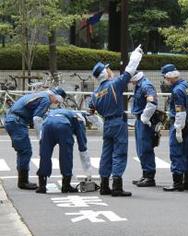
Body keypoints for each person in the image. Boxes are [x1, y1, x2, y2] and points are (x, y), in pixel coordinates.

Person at [89, 45, 143, 197]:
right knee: (119, 153)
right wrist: (136, 55)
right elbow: (130, 71)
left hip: (107, 124)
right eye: (108, 69)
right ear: (105, 73)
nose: (110, 70)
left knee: (106, 153)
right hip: (118, 122)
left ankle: (104, 185)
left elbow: (90, 112)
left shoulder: (95, 93)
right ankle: (117, 186)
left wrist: (101, 124)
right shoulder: (114, 84)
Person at [4, 87, 66, 190]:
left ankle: (22, 180)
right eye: (57, 101)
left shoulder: (41, 95)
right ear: (55, 96)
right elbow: (37, 119)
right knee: (25, 151)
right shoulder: (46, 99)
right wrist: (41, 138)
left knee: (23, 151)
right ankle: (23, 182)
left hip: (14, 120)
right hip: (17, 121)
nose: (55, 103)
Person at [36, 109, 91, 194]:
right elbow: (82, 141)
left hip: (47, 125)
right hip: (63, 126)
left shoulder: (60, 111)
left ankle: (42, 185)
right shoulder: (79, 119)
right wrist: (88, 170)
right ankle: (66, 185)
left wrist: (42, 142)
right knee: (66, 155)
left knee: (45, 154)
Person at [161, 64, 188, 191]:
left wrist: (178, 129)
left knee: (176, 152)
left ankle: (177, 183)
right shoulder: (186, 85)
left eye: (164, 77)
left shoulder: (176, 91)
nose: (164, 80)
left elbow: (179, 111)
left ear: (169, 77)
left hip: (179, 122)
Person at [131, 71, 158, 187]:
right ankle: (145, 174)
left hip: (145, 121)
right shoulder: (139, 85)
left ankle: (150, 177)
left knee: (146, 148)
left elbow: (152, 102)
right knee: (140, 149)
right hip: (140, 120)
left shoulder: (145, 85)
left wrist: (145, 117)